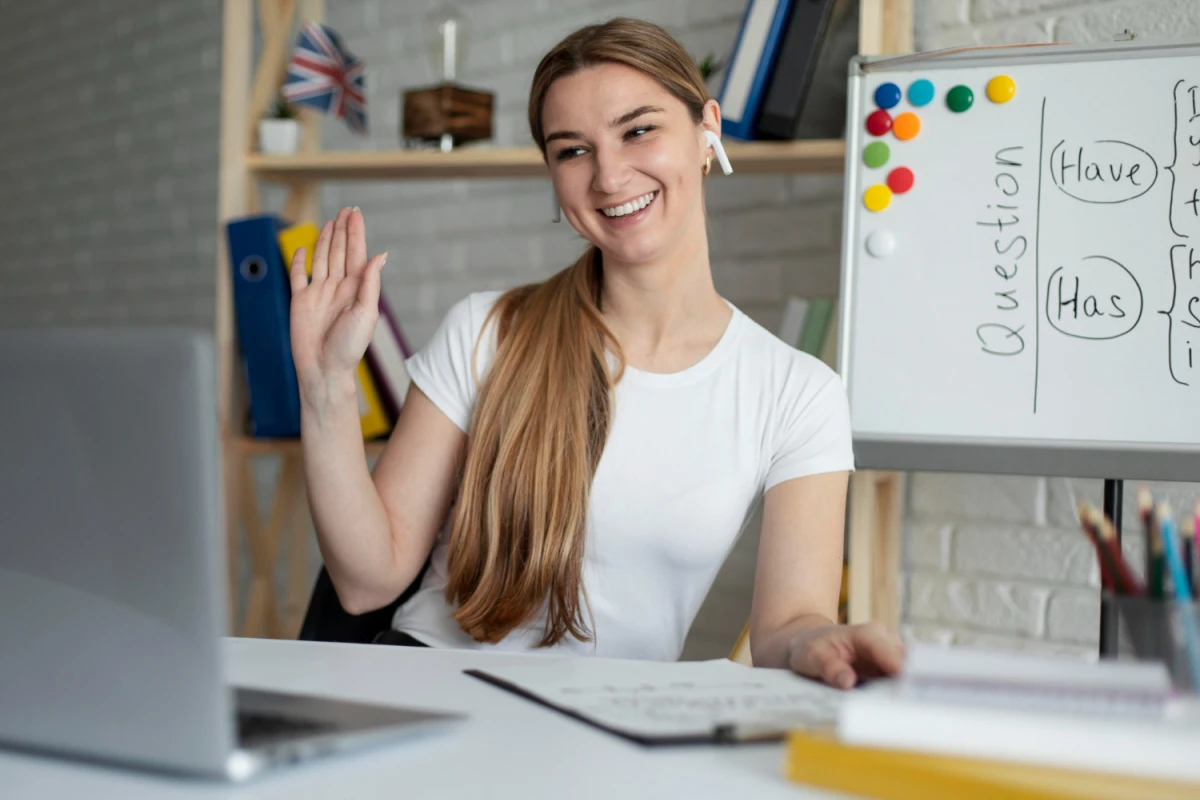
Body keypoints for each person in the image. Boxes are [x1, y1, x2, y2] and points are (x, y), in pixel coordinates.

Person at [287, 17, 903, 689]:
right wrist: (327, 386)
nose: (609, 176)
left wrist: (821, 644)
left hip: (610, 725)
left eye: (638, 130)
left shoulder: (798, 393)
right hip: (428, 694)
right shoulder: (487, 331)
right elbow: (364, 580)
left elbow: (789, 623)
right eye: (572, 151)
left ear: (708, 132)